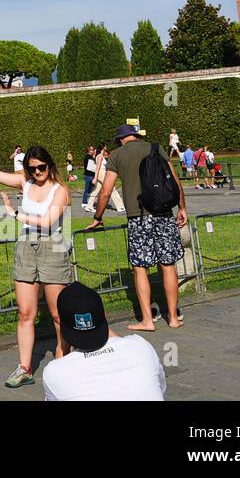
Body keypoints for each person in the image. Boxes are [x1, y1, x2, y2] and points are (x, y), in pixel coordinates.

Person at [0, 124, 72, 388]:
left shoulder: (60, 190)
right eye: (32, 168)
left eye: (41, 167)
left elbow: (47, 221)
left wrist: (14, 213)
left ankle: (65, 362)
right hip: (26, 248)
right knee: (25, 312)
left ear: (49, 165)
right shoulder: (25, 181)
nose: (37, 173)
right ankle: (24, 368)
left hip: (52, 247)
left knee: (57, 314)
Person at [85, 124, 187, 333]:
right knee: (168, 265)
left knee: (140, 268)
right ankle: (174, 318)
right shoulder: (155, 148)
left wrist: (98, 216)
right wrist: (182, 208)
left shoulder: (117, 155)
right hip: (164, 213)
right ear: (136, 135)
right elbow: (175, 181)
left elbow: (106, 192)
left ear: (121, 139)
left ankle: (148, 321)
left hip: (138, 217)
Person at [42, 283, 166, 401]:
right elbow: (160, 389)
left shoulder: (53, 372)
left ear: (60, 322)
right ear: (105, 315)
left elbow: (58, 387)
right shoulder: (141, 346)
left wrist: (62, 345)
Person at [81, 145, 97, 211]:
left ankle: (87, 202)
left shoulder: (90, 157)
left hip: (91, 175)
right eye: (92, 150)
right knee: (87, 189)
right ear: (89, 151)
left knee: (91, 189)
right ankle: (84, 202)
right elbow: (90, 167)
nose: (93, 151)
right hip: (88, 175)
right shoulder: (88, 157)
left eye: (93, 150)